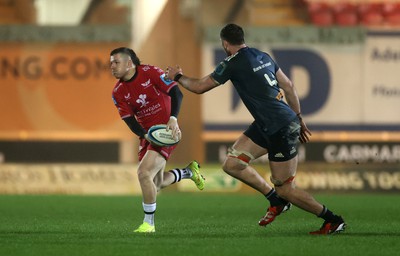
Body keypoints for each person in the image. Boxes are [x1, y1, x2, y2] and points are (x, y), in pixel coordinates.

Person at [165, 24, 345, 235]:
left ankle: (333, 220)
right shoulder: (263, 55)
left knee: (285, 188)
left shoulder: (232, 63)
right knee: (232, 164)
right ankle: (275, 201)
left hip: (280, 127)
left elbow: (199, 86)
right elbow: (289, 87)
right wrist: (298, 117)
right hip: (269, 123)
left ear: (225, 43)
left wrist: (177, 76)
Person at [110, 47, 205, 233]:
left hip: (167, 132)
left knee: (143, 173)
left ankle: (149, 224)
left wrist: (173, 118)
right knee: (157, 183)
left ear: (129, 63)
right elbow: (129, 120)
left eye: (116, 62)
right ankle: (188, 173)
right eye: (111, 63)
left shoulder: (150, 72)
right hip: (149, 135)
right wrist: (145, 135)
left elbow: (177, 93)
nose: (112, 66)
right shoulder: (118, 92)